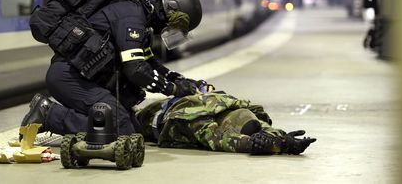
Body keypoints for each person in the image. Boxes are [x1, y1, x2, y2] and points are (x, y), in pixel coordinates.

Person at [19, 0, 206, 141]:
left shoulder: (140, 17)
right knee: (120, 131)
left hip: (83, 78)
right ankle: (48, 114)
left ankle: (61, 117)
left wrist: (178, 79)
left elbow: (149, 63)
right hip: (70, 77)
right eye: (176, 26)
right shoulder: (132, 17)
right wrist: (172, 89)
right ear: (171, 9)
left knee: (135, 134)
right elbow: (136, 69)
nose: (170, 31)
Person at [135, 86, 316, 155]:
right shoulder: (197, 119)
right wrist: (254, 144)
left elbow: (261, 128)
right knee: (126, 119)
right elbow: (220, 140)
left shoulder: (238, 108)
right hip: (146, 117)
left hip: (176, 101)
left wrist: (283, 140)